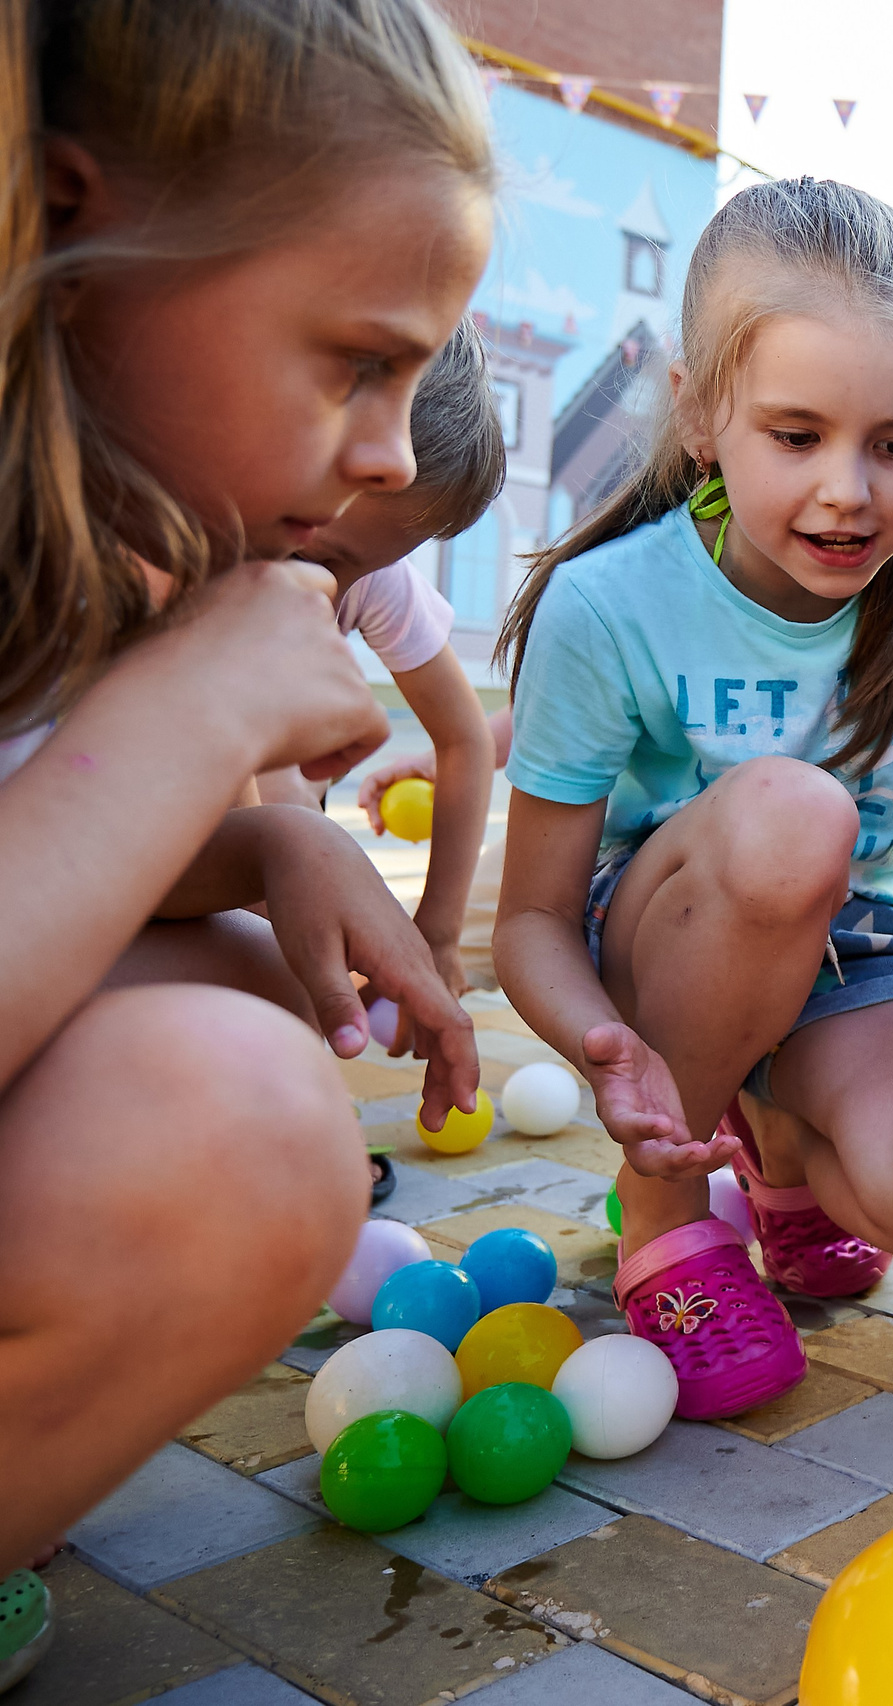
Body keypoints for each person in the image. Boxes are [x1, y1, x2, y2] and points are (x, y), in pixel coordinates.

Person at [0, 0, 491, 1679]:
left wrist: (261, 851)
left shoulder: (92, 548)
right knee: (238, 1128)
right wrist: (190, 721)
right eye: (359, 361)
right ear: (77, 222)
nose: (384, 455)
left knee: (258, 998)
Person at [492, 177, 893, 1423]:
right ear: (702, 415)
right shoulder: (609, 604)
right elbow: (526, 918)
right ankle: (667, 1215)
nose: (849, 490)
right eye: (796, 437)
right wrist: (607, 1044)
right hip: (660, 951)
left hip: (848, 951)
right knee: (797, 816)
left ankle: (784, 1160)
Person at [256, 323, 508, 1015]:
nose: (332, 589)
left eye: (365, 567)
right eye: (316, 558)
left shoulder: (370, 576)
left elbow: (464, 740)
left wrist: (439, 931)